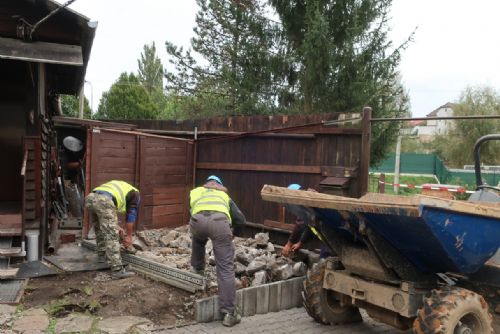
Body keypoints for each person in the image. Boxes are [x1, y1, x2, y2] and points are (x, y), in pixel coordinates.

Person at [189, 175, 246, 327]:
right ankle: (229, 313)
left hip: (197, 221)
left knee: (198, 238)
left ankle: (197, 269)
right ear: (219, 185)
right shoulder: (223, 194)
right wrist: (234, 232)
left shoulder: (195, 192)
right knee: (225, 268)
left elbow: (192, 210)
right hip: (220, 224)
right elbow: (241, 219)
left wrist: (201, 225)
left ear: (206, 184)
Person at [85, 180, 139, 279]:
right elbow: (131, 216)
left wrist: (116, 226)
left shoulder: (121, 186)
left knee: (100, 230)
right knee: (112, 235)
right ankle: (117, 270)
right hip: (104, 200)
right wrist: (129, 236)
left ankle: (101, 256)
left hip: (90, 198)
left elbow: (106, 216)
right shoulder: (135, 194)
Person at [282, 184, 329, 258]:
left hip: (329, 233)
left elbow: (300, 226)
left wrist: (288, 244)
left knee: (325, 258)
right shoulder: (309, 199)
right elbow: (310, 227)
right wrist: (300, 243)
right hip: (327, 235)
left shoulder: (306, 204)